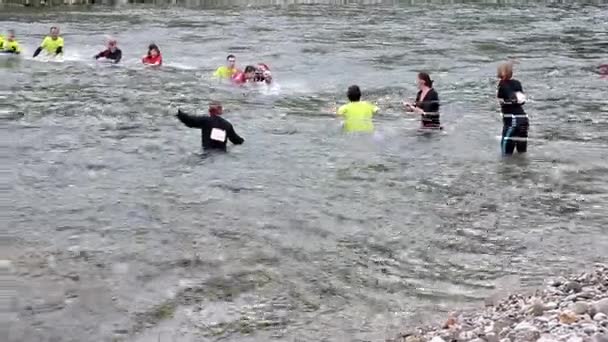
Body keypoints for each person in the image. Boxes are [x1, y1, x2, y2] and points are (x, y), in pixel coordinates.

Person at [176, 102, 244, 151]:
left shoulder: (205, 121)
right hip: (222, 154)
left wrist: (178, 113)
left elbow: (189, 121)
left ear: (209, 111)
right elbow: (236, 140)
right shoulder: (227, 125)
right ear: (220, 111)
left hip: (207, 153)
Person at [496, 62, 528, 155]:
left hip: (512, 122)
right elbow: (521, 99)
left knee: (506, 155)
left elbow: (510, 95)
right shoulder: (517, 83)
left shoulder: (502, 85)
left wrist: (510, 99)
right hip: (524, 120)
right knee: (522, 153)